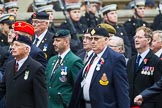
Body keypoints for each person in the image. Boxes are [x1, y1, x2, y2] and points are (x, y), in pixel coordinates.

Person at [69, 27, 130, 108]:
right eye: (91, 39)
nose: (93, 41)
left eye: (96, 39)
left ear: (106, 40)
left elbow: (122, 90)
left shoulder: (115, 58)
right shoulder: (92, 56)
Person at [0, 34, 48, 108]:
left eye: (17, 45)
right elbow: (2, 88)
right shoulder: (9, 65)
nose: (13, 47)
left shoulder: (36, 68)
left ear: (26, 49)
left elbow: (40, 97)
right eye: (13, 45)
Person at [45, 29, 83, 108]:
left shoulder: (74, 61)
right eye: (54, 41)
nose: (54, 43)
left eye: (57, 41)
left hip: (64, 105)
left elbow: (78, 88)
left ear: (66, 42)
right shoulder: (52, 60)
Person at [127, 26, 162, 108]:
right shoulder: (131, 61)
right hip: (131, 104)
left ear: (148, 40)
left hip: (148, 104)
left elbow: (159, 87)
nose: (136, 40)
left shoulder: (156, 61)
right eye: (135, 37)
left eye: (139, 37)